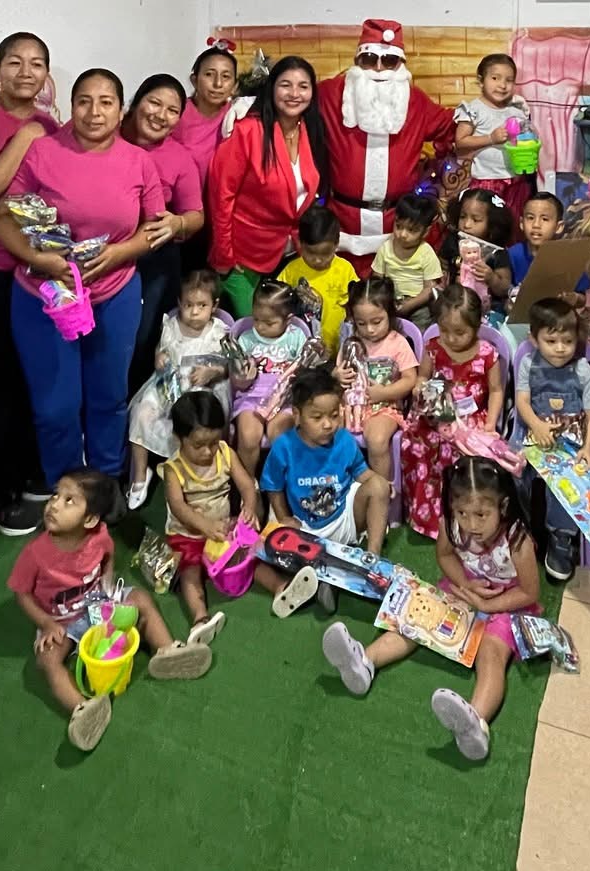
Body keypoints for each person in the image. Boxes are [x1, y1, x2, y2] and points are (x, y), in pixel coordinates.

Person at [0, 69, 165, 485]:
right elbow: (3, 216)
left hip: (115, 293)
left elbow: (156, 227)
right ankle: (67, 488)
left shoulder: (139, 161)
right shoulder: (42, 151)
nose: (94, 112)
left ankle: (104, 484)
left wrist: (120, 253)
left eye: (106, 102)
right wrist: (38, 258)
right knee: (55, 407)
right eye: (84, 101)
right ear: (71, 107)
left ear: (121, 111)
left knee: (109, 398)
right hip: (45, 294)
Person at [322, 456, 541, 762]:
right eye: (462, 513)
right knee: (418, 619)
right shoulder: (452, 524)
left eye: (481, 514)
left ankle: (475, 722)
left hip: (508, 603)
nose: (471, 524)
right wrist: (465, 584)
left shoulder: (516, 538)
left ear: (502, 506)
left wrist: (488, 604)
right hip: (465, 588)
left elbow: (529, 591)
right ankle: (364, 662)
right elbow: (446, 557)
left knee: (491, 653)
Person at [7, 469, 217, 753]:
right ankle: (83, 709)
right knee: (47, 659)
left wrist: (107, 586)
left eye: (69, 500)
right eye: (55, 495)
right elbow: (21, 594)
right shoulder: (34, 553)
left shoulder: (100, 536)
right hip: (60, 620)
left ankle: (167, 651)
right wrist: (45, 623)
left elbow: (107, 556)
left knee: (141, 599)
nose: (54, 504)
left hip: (98, 605)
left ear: (90, 520)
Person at [0, 32, 60, 535]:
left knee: (26, 378)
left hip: (34, 270)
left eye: (36, 63)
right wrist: (24, 138)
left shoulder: (53, 126)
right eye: (14, 62)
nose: (26, 72)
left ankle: (22, 475)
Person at [318, 19, 458, 269]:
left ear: (400, 64)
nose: (379, 68)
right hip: (343, 224)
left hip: (397, 226)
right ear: (357, 61)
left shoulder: (415, 102)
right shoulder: (331, 94)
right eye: (369, 59)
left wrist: (495, 111)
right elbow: (291, 102)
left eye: (390, 61)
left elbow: (453, 124)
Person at [206, 55, 329, 318]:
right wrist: (225, 255)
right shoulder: (248, 131)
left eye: (303, 86)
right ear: (271, 88)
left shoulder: (310, 129)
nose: (294, 94)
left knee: (287, 329)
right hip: (243, 257)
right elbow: (221, 195)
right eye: (285, 85)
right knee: (254, 330)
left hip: (289, 254)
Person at [120, 73, 207, 403]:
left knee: (142, 341)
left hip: (154, 259)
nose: (161, 115)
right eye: (154, 103)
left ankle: (136, 413)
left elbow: (197, 216)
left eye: (172, 111)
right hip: (103, 253)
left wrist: (177, 223)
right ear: (136, 103)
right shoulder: (106, 136)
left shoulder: (179, 157)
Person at [402, 286, 505, 541]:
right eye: (444, 330)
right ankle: (427, 517)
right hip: (436, 415)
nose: (451, 338)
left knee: (458, 452)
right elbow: (423, 376)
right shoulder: (433, 348)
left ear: (476, 326)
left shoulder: (486, 353)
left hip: (470, 420)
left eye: (459, 332)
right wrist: (419, 387)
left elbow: (496, 390)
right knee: (416, 444)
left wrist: (490, 424)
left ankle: (464, 517)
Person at [126, 267, 230, 511]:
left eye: (202, 306)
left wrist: (212, 372)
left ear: (214, 305)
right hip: (168, 384)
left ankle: (188, 474)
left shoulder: (218, 332)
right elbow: (161, 350)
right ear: (179, 303)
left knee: (193, 423)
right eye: (188, 305)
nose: (194, 312)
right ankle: (140, 474)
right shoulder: (171, 325)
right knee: (141, 411)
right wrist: (159, 358)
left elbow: (228, 366)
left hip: (200, 390)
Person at [514, 296, 590, 582]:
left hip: (569, 441)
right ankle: (517, 529)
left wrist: (588, 447)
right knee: (513, 471)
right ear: (534, 339)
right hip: (531, 433)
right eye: (551, 341)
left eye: (568, 341)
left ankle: (561, 539)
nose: (561, 348)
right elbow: (522, 401)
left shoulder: (583, 370)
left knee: (568, 481)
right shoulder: (528, 363)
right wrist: (537, 426)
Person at [261, 367, 391, 558]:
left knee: (379, 485)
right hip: (304, 528)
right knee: (274, 543)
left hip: (344, 520)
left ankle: (372, 557)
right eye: (317, 417)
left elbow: (361, 472)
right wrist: (284, 518)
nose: (328, 424)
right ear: (297, 415)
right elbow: (274, 487)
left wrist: (382, 487)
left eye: (334, 415)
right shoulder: (284, 446)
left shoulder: (344, 439)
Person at [160, 389, 262, 629]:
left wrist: (249, 507)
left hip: (223, 529)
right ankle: (200, 617)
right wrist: (204, 525)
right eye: (198, 445)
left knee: (252, 555)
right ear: (178, 438)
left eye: (213, 443)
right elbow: (178, 507)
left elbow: (247, 484)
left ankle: (281, 588)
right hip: (188, 535)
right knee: (190, 572)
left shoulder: (225, 453)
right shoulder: (174, 469)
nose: (207, 451)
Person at [333, 275, 418, 482]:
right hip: (349, 407)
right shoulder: (351, 342)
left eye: (377, 322)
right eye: (361, 323)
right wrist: (337, 376)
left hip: (385, 407)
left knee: (377, 439)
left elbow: (410, 379)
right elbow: (339, 371)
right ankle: (341, 486)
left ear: (390, 314)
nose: (369, 329)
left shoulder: (398, 343)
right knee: (327, 432)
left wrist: (384, 393)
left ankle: (381, 487)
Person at [230, 279, 312, 472]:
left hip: (285, 400)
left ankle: (281, 482)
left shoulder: (296, 337)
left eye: (269, 322)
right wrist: (243, 379)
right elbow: (236, 382)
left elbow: (305, 373)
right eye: (256, 319)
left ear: (288, 319)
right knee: (248, 437)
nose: (260, 326)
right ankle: (248, 483)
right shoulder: (246, 339)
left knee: (281, 438)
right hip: (251, 398)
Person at [453, 53, 534, 221]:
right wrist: (490, 138)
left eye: (509, 80)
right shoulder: (474, 109)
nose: (502, 85)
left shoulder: (517, 110)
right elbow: (460, 141)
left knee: (512, 223)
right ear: (481, 80)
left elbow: (525, 138)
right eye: (495, 78)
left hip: (515, 180)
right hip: (486, 181)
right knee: (487, 224)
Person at [276, 204, 357, 355]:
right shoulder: (291, 271)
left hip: (337, 349)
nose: (318, 260)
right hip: (301, 351)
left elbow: (356, 306)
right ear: (300, 243)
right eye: (311, 253)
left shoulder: (345, 270)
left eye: (325, 253)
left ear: (336, 244)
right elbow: (277, 304)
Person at [171, 41, 241, 186]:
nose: (218, 84)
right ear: (194, 80)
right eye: (209, 74)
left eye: (226, 76)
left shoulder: (238, 116)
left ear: (235, 86)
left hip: (225, 196)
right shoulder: (176, 112)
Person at [441, 186, 514, 318]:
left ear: (492, 224)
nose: (467, 224)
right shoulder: (452, 242)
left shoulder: (497, 252)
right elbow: (441, 269)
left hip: (485, 310)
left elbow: (504, 288)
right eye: (463, 217)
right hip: (452, 305)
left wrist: (491, 278)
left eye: (476, 220)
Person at [375, 192, 445, 318]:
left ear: (425, 231)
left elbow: (430, 289)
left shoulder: (426, 253)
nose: (402, 234)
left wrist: (408, 305)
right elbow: (377, 280)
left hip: (417, 304)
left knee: (423, 316)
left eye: (411, 230)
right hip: (390, 301)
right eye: (398, 226)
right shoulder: (385, 248)